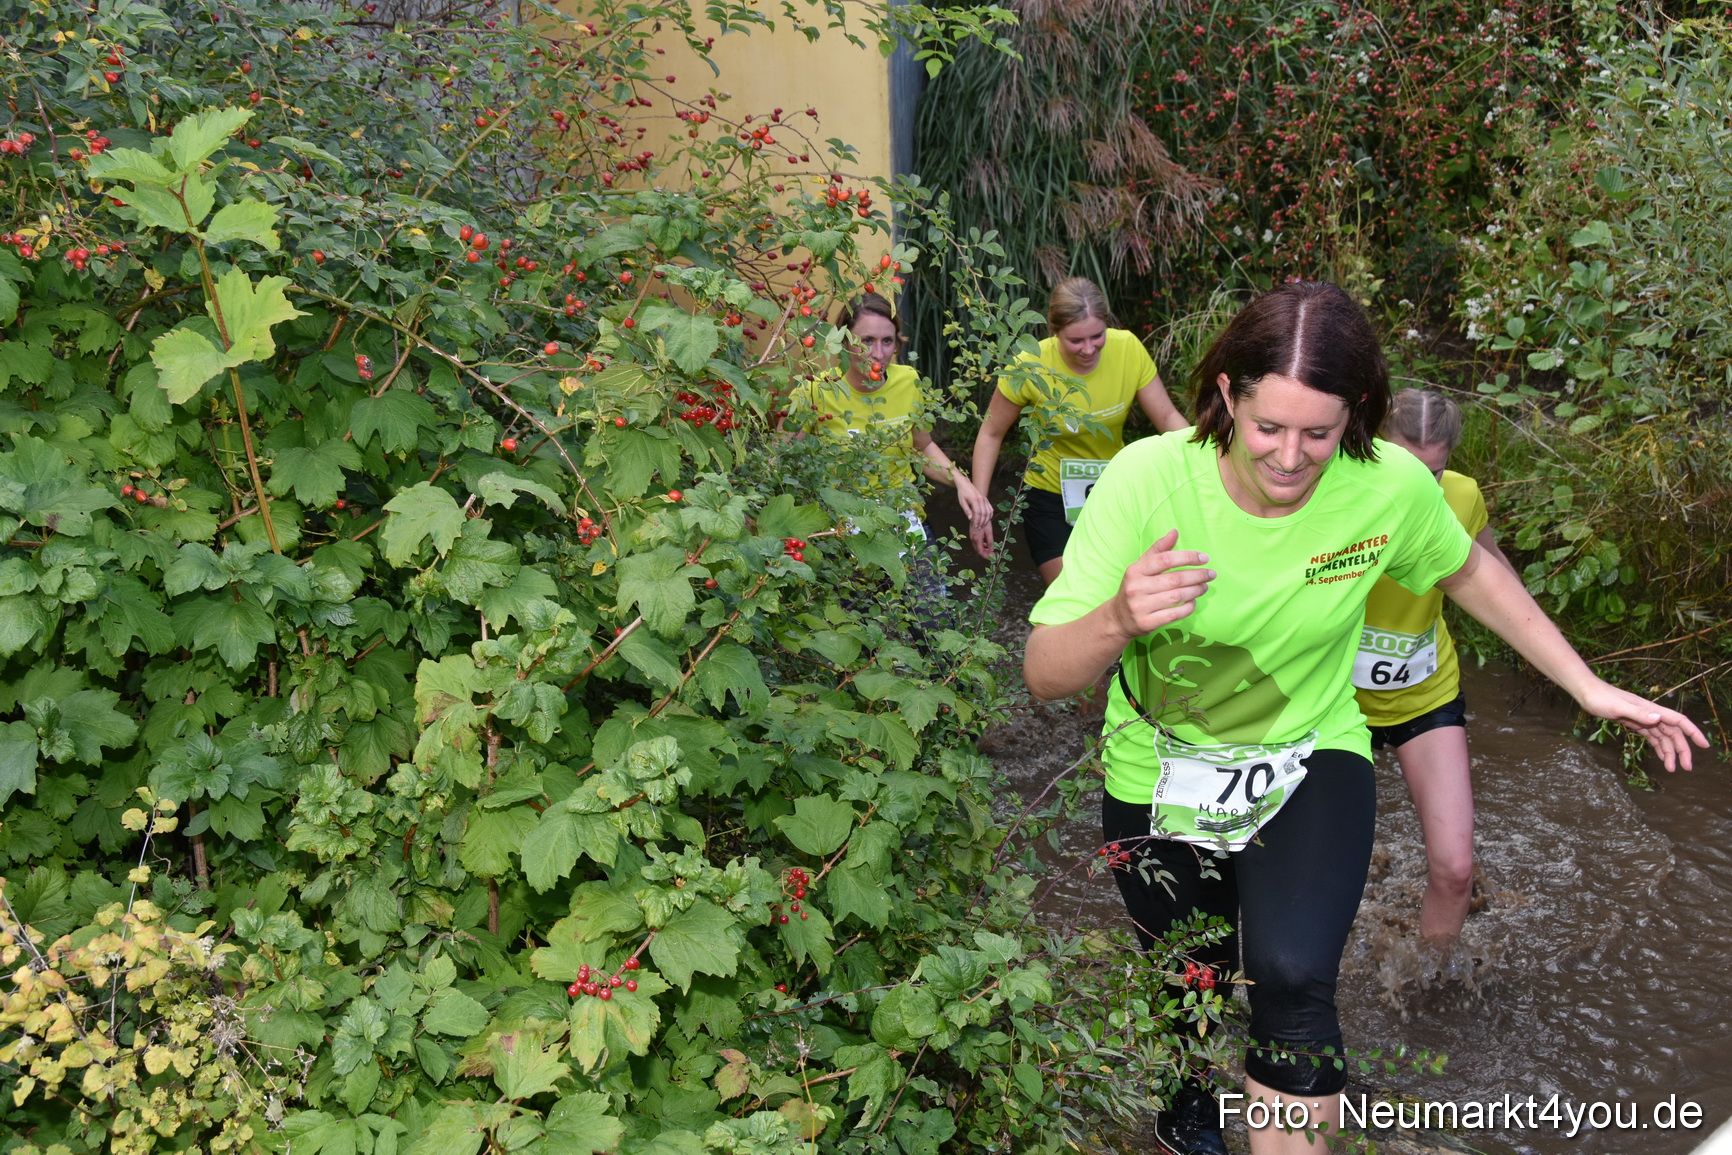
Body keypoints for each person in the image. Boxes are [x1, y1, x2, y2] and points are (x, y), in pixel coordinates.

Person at [1021, 281, 1704, 1155]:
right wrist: (1117, 616)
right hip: (1157, 768)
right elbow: (1043, 673)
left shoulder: (1384, 486)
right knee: (1186, 978)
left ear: (1358, 415)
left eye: (1321, 431)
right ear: (1227, 394)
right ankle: (1186, 1104)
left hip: (1311, 755)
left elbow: (1468, 571)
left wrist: (1587, 686)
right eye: (1269, 427)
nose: (1292, 457)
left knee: (1295, 980)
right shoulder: (1148, 480)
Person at [1356, 389, 1514, 946]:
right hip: (1328, 703)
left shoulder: (1464, 497)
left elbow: (1495, 574)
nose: (1423, 488)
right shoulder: (1330, 490)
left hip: (1423, 690)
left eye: (1436, 471)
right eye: (1405, 467)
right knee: (1324, 864)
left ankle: (1430, 993)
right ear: (1372, 446)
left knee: (1454, 870)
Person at [969, 277, 1189, 585]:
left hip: (1113, 490)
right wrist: (980, 509)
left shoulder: (1127, 348)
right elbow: (991, 433)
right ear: (1054, 331)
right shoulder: (1030, 362)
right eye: (1076, 341)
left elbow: (1167, 418)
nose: (1089, 349)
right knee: (1070, 593)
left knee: (1120, 587)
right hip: (1048, 496)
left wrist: (1204, 458)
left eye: (1097, 336)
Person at [785, 291, 991, 545]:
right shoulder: (815, 391)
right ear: (844, 342)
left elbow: (921, 446)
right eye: (867, 341)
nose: (878, 354)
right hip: (839, 528)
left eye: (887, 341)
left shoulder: (908, 381)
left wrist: (963, 482)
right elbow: (780, 459)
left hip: (903, 518)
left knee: (933, 586)